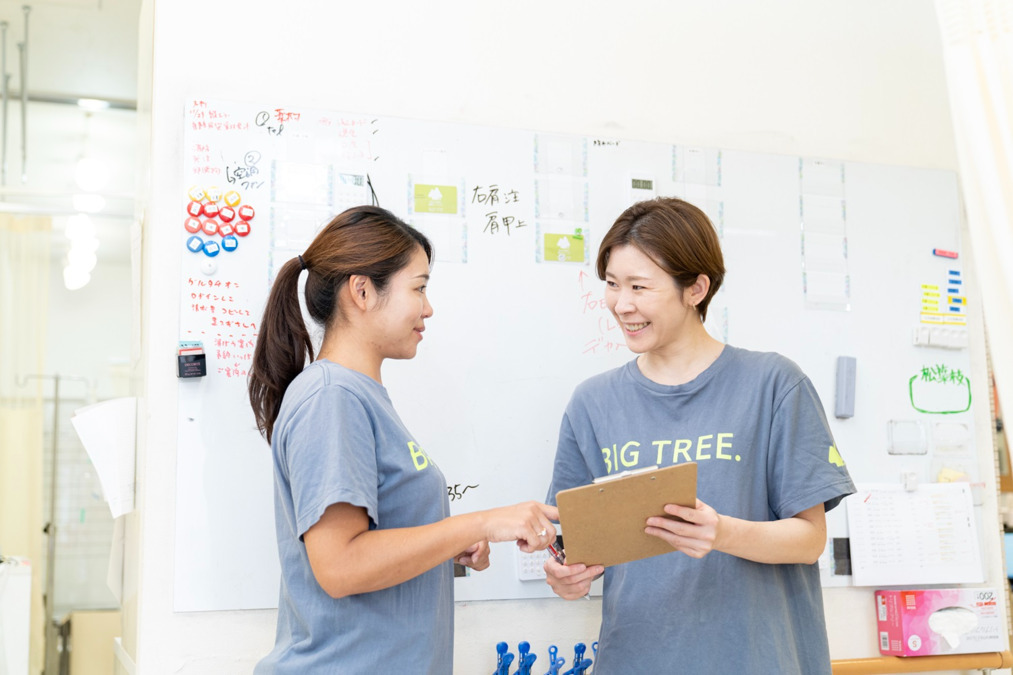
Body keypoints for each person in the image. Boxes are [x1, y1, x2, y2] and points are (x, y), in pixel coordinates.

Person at [543, 197, 855, 674]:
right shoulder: (593, 403)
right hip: (637, 659)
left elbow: (809, 539)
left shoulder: (773, 384)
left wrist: (722, 533)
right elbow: (573, 543)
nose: (621, 305)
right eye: (611, 285)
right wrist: (567, 576)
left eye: (640, 287)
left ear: (696, 288)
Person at [248, 205, 558, 674]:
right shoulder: (332, 396)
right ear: (362, 291)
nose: (428, 308)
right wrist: (479, 524)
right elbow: (341, 567)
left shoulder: (358, 396)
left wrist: (443, 547)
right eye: (419, 288)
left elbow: (373, 543)